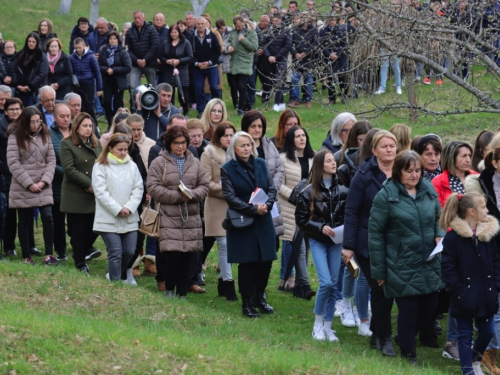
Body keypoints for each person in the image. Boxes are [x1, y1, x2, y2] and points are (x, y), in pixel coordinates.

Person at [369, 150, 445, 363]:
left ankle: (404, 337)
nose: (414, 175)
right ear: (398, 171)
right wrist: (379, 271)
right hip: (400, 263)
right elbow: (375, 235)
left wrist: (439, 235)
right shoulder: (386, 196)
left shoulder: (428, 189)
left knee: (430, 307)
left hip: (428, 260)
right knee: (409, 309)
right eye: (409, 170)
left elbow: (439, 217)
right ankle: (408, 353)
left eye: (418, 170)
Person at [342, 130, 398, 356]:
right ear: (374, 150)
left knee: (388, 289)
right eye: (384, 147)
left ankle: (376, 332)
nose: (389, 150)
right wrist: (348, 245)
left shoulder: (402, 171)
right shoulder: (363, 175)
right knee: (380, 287)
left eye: (392, 146)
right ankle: (384, 338)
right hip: (368, 241)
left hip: (395, 241)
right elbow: (352, 211)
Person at [441, 192, 500, 375]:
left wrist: (496, 285)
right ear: (471, 211)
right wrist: (458, 291)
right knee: (464, 336)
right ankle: (468, 371)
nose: (487, 210)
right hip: (463, 296)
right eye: (483, 207)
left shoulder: (487, 235)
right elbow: (447, 268)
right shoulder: (453, 238)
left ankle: (476, 360)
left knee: (488, 331)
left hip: (487, 293)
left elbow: (496, 261)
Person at [147, 125, 209, 298]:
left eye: (183, 143)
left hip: (190, 216)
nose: (180, 147)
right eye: (176, 143)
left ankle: (182, 293)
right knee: (172, 255)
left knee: (188, 257)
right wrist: (176, 196)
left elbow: (204, 186)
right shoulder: (159, 162)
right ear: (169, 144)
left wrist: (192, 195)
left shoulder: (195, 163)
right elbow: (152, 186)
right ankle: (169, 289)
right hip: (168, 215)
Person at [221, 131, 278, 317]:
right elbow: (229, 196)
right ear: (234, 148)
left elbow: (271, 188)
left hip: (264, 219)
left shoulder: (260, 163)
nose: (246, 149)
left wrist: (267, 205)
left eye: (249, 145)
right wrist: (253, 209)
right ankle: (246, 303)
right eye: (242, 145)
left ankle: (259, 296)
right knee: (247, 263)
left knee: (266, 260)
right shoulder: (228, 168)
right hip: (243, 221)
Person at [295, 149, 348, 341]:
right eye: (328, 161)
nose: (333, 163)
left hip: (336, 242)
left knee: (334, 284)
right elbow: (301, 220)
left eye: (333, 160)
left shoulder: (343, 190)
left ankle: (328, 326)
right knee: (325, 283)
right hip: (318, 241)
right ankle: (317, 324)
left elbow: (348, 216)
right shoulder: (307, 192)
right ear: (319, 165)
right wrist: (320, 227)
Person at [7, 106, 57, 265]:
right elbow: (13, 163)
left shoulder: (45, 134)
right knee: (25, 220)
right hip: (23, 186)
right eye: (32, 122)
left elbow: (51, 160)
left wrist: (44, 181)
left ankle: (49, 254)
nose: (36, 125)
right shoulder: (15, 137)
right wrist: (29, 184)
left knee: (48, 217)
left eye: (38, 121)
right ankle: (26, 256)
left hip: (43, 184)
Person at [466, 147, 500, 374]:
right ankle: (489, 350)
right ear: (495, 162)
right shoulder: (479, 185)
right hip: (491, 248)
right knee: (495, 303)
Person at [93, 133, 144, 284]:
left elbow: (138, 188)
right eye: (119, 149)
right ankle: (115, 284)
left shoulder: (132, 166)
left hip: (129, 216)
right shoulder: (100, 166)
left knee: (129, 251)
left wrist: (129, 207)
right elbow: (100, 192)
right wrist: (117, 209)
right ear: (110, 149)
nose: (123, 153)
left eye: (125, 150)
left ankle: (115, 275)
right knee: (115, 252)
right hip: (108, 217)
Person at [60, 112, 103, 274]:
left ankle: (81, 251)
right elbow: (69, 169)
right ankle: (80, 264)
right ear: (76, 127)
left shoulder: (96, 143)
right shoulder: (67, 144)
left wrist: (98, 185)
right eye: (84, 126)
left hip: (94, 194)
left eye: (90, 126)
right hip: (76, 194)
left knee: (95, 229)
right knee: (78, 231)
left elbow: (102, 164)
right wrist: (88, 184)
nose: (88, 129)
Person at [201, 122, 238, 300]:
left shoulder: (237, 152)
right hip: (216, 205)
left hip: (235, 206)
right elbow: (206, 182)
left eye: (232, 135)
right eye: (225, 136)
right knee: (223, 243)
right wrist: (228, 192)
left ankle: (223, 281)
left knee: (232, 244)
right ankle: (229, 283)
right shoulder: (208, 154)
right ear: (218, 136)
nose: (229, 139)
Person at [278, 126, 315, 298]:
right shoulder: (283, 159)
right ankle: (305, 285)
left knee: (305, 246)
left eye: (304, 135)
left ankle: (300, 284)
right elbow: (278, 184)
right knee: (297, 246)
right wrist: (296, 196)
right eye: (297, 136)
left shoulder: (313, 158)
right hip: (290, 208)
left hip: (310, 209)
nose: (302, 138)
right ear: (291, 139)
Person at [241, 111, 284, 247]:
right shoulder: (239, 145)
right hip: (249, 203)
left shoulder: (269, 145)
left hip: (269, 202)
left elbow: (279, 169)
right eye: (253, 126)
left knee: (272, 246)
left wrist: (270, 190)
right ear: (246, 127)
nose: (257, 129)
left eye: (260, 126)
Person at [0, 98, 27, 257]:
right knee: (5, 212)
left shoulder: (25, 126)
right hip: (4, 174)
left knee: (18, 213)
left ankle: (11, 245)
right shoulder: (2, 126)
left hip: (21, 174)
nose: (15, 112)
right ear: (5, 111)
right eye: (12, 109)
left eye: (17, 109)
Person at [49, 103, 72, 261]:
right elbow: (49, 161)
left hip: (76, 184)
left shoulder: (76, 132)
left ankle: (80, 249)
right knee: (57, 220)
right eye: (62, 116)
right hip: (58, 183)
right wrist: (68, 173)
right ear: (55, 118)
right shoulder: (49, 134)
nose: (65, 119)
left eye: (68, 116)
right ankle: (61, 251)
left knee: (76, 220)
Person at [189, 16, 222, 118]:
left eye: (202, 24)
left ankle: (218, 108)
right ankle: (201, 110)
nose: (200, 26)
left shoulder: (212, 36)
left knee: (214, 87)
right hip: (197, 67)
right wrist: (197, 63)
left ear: (206, 24)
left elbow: (217, 50)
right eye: (198, 24)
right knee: (199, 88)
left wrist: (209, 62)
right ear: (196, 25)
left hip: (211, 66)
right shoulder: (191, 37)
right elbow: (189, 52)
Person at [226, 16, 258, 117]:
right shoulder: (233, 32)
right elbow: (228, 41)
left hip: (245, 63)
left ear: (243, 23)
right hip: (234, 63)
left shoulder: (251, 33)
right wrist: (228, 47)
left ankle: (241, 108)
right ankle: (248, 105)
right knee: (237, 86)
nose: (238, 28)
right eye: (236, 26)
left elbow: (254, 47)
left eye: (239, 26)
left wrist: (243, 40)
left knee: (241, 86)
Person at [98, 31, 132, 127]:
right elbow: (98, 65)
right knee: (107, 102)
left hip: (118, 82)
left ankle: (120, 123)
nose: (112, 41)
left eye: (114, 39)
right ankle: (110, 121)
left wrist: (114, 70)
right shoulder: (103, 51)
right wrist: (106, 69)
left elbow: (128, 67)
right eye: (110, 39)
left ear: (118, 40)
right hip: (107, 81)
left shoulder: (123, 52)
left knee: (118, 104)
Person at [126, 10, 159, 106]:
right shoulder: (130, 31)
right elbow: (127, 48)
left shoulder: (151, 29)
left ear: (143, 18)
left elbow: (155, 45)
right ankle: (135, 107)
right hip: (135, 64)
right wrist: (136, 60)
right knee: (133, 86)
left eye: (139, 18)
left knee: (152, 86)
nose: (137, 20)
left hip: (149, 63)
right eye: (135, 18)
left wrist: (145, 59)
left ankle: (154, 106)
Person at [160, 25, 193, 117]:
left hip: (182, 70)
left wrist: (180, 61)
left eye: (175, 32)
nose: (173, 34)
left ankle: (185, 111)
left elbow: (190, 57)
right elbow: (161, 56)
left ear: (179, 33)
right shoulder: (166, 42)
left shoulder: (186, 43)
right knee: (170, 91)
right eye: (171, 32)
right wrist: (166, 61)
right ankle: (170, 111)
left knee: (182, 92)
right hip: (168, 70)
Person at [433, 140, 476, 207]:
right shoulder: (437, 183)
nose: (468, 160)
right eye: (464, 156)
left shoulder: (476, 177)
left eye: (469, 155)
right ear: (452, 158)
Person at [70, 37, 102, 127]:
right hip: (77, 86)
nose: (78, 50)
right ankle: (81, 125)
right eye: (76, 48)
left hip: (89, 85)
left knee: (89, 107)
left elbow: (97, 72)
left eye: (79, 48)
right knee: (80, 108)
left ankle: (94, 126)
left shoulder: (91, 57)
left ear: (84, 46)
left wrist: (99, 88)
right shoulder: (72, 58)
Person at [289, 12, 319, 108]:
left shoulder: (313, 30)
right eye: (301, 17)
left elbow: (315, 45)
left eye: (305, 17)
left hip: (309, 60)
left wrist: (305, 54)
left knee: (308, 81)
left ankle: (308, 100)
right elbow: (290, 44)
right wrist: (295, 53)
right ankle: (296, 99)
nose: (303, 19)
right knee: (294, 80)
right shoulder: (295, 30)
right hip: (297, 60)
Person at [263, 12, 291, 112]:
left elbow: (287, 46)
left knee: (278, 80)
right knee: (273, 80)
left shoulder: (286, 30)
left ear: (280, 19)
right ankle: (282, 103)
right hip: (270, 59)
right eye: (273, 20)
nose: (275, 22)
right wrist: (269, 56)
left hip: (281, 59)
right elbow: (264, 44)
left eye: (277, 20)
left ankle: (277, 103)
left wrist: (276, 56)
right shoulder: (268, 30)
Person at [14, 32, 48, 106]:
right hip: (20, 91)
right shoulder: (20, 55)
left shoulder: (41, 57)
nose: (31, 43)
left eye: (33, 42)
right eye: (29, 41)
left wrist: (30, 86)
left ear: (37, 43)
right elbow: (14, 70)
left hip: (35, 92)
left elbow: (42, 74)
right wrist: (17, 84)